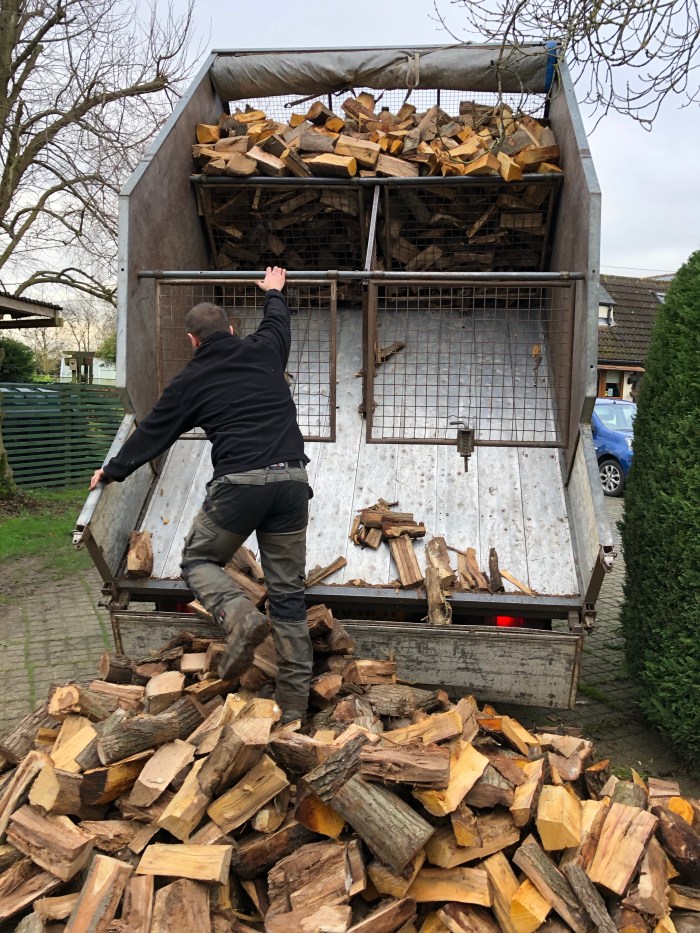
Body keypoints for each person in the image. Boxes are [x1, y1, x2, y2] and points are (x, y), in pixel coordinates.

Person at [89, 267, 313, 724]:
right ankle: (294, 709)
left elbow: (153, 433)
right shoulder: (265, 349)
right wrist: (274, 292)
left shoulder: (190, 380)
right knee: (288, 594)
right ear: (232, 330)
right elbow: (277, 321)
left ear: (193, 341)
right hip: (292, 481)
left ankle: (239, 615)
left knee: (198, 560)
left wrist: (112, 470)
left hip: (239, 486)